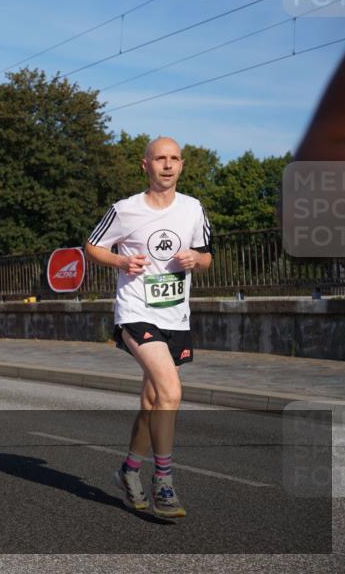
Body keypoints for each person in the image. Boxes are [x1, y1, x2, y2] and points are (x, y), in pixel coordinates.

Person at [84, 136, 213, 519]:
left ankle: (129, 471)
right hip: (136, 312)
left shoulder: (193, 209)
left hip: (176, 316)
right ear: (146, 165)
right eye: (160, 158)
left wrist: (195, 259)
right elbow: (92, 246)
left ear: (182, 165)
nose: (168, 165)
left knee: (153, 400)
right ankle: (164, 481)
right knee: (171, 391)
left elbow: (207, 257)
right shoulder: (125, 211)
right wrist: (121, 263)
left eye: (174, 159)